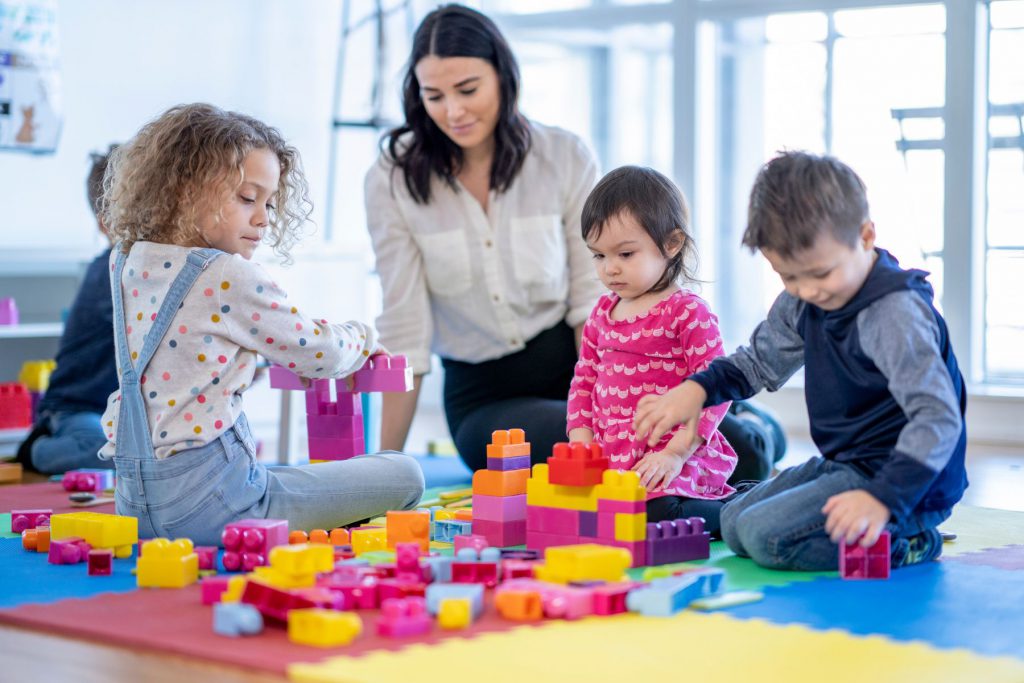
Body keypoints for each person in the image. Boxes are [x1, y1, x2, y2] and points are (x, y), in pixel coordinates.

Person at [366, 4, 784, 478]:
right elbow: (405, 329)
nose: (453, 111)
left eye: (468, 90)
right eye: (433, 96)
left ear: (504, 78)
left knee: (729, 449)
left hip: (591, 368)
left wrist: (614, 405)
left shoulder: (561, 155)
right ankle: (743, 422)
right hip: (488, 398)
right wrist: (386, 470)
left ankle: (745, 420)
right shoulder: (391, 179)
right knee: (599, 463)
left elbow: (594, 296)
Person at [97, 103, 424, 545]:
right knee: (405, 473)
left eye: (269, 202)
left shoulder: (126, 261)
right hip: (218, 510)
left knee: (289, 475)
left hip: (134, 507)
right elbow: (317, 352)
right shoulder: (225, 273)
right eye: (247, 198)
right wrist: (363, 339)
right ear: (184, 190)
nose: (264, 218)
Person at [633, 151, 966, 570]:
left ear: (865, 237)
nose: (807, 290)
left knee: (766, 540)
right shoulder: (803, 299)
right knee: (734, 524)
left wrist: (883, 499)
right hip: (846, 464)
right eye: (788, 276)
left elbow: (937, 419)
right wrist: (695, 391)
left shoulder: (892, 313)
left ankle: (911, 540)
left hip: (907, 483)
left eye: (820, 274)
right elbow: (757, 362)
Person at [567, 166, 736, 531]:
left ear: (672, 244)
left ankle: (743, 510)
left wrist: (675, 453)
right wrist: (580, 443)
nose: (610, 269)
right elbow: (583, 383)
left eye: (625, 254)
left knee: (656, 514)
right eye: (598, 256)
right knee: (586, 515)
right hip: (617, 461)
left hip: (675, 455)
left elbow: (717, 389)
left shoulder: (687, 312)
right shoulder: (600, 313)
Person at [16, 147, 119, 474]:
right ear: (106, 225)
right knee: (104, 452)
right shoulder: (109, 272)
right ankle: (36, 450)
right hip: (76, 410)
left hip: (118, 416)